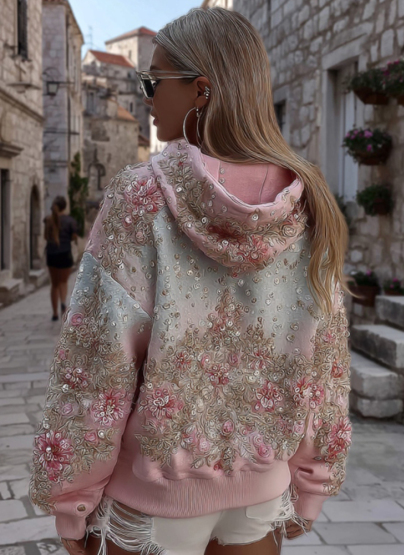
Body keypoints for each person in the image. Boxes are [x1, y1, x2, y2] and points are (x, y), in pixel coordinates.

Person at [30, 7, 353, 555]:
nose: (146, 97)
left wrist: (73, 501)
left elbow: (96, 362)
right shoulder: (307, 202)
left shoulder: (140, 196)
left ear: (200, 89)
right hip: (260, 493)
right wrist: (312, 486)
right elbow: (326, 363)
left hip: (153, 500)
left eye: (153, 81)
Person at [44, 196, 78, 321]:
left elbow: (45, 237)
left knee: (54, 284)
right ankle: (63, 302)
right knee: (63, 282)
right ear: (64, 206)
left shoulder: (49, 220)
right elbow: (74, 237)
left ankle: (54, 313)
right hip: (65, 253)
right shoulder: (70, 221)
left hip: (52, 254)